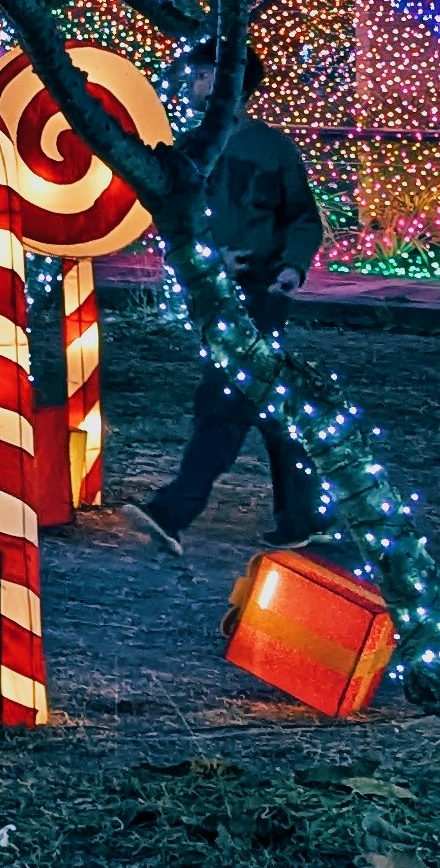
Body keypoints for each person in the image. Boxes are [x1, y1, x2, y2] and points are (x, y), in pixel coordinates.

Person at [131, 43, 329, 552]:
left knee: (226, 398)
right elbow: (176, 220)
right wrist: (212, 258)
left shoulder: (273, 149)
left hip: (262, 292)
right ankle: (304, 517)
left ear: (230, 85)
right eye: (194, 75)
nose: (192, 84)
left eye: (202, 75)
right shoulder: (191, 151)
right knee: (268, 401)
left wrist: (289, 269)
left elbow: (303, 217)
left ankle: (175, 510)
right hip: (216, 291)